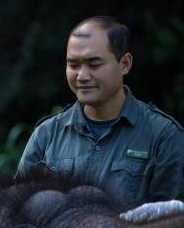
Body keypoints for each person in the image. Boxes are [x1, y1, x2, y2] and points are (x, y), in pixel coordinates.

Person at [17, 16, 184, 205]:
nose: (82, 76)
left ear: (125, 64)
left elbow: (172, 227)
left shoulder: (163, 136)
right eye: (73, 65)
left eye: (94, 64)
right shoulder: (47, 135)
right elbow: (17, 214)